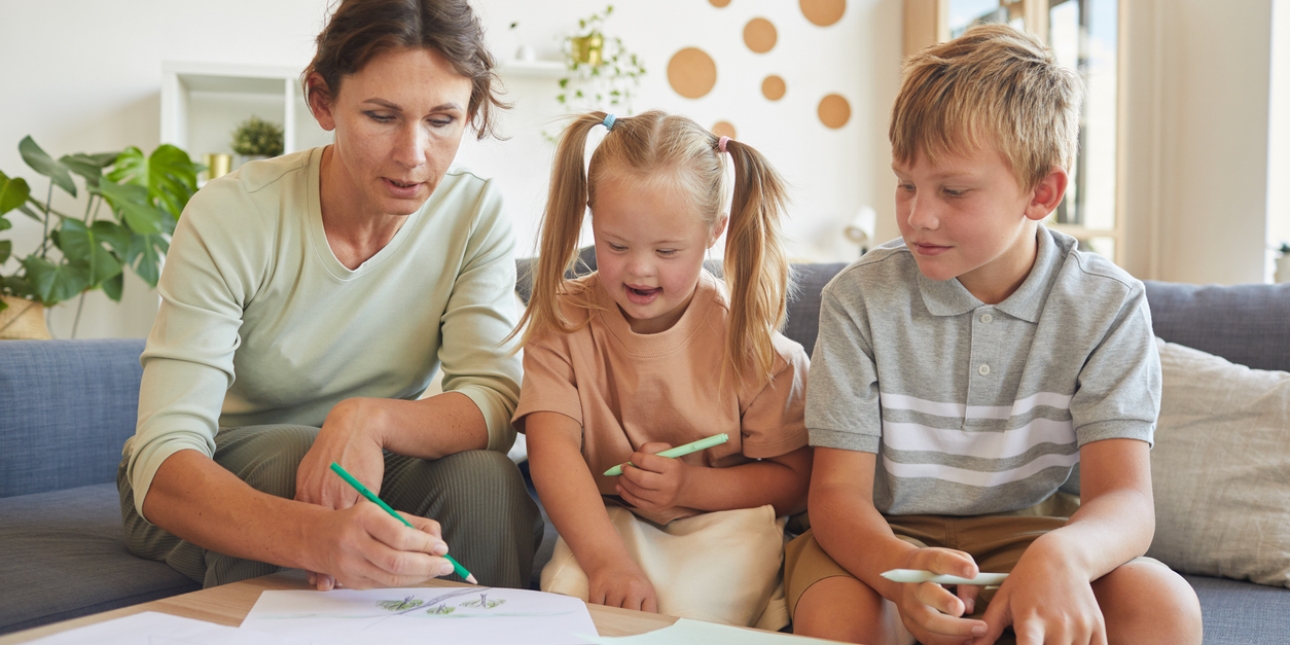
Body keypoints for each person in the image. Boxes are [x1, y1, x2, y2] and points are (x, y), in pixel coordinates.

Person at [785, 25, 1202, 645]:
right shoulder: (858, 298)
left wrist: (1064, 557)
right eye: (906, 183)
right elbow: (837, 501)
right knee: (840, 619)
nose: (918, 214)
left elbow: (1126, 502)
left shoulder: (1108, 304)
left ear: (1042, 193)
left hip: (1034, 533)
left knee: (1162, 604)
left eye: (953, 190)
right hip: (885, 537)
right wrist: (901, 578)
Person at [117, 0, 542, 591]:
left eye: (442, 120)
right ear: (322, 101)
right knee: (292, 454)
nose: (413, 155)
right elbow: (163, 459)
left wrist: (367, 421)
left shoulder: (473, 213)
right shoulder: (231, 215)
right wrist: (312, 536)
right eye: (381, 115)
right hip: (209, 478)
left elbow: (495, 400)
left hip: (372, 463)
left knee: (485, 479)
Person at [512, 111, 813, 629]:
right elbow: (551, 449)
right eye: (617, 245)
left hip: (726, 523)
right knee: (570, 606)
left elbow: (795, 480)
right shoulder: (561, 320)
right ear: (592, 220)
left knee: (686, 616)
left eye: (667, 250)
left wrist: (689, 489)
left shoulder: (753, 342)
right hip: (605, 523)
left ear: (714, 231)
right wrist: (607, 560)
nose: (640, 269)